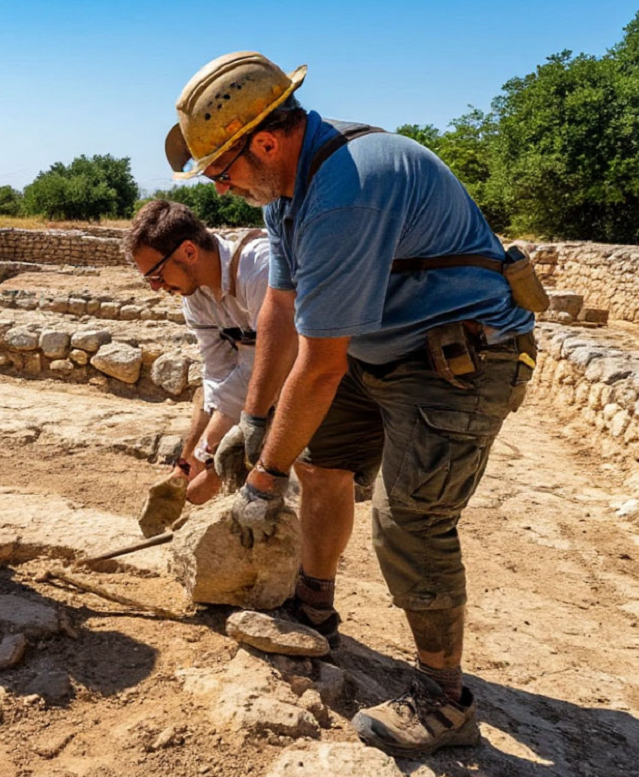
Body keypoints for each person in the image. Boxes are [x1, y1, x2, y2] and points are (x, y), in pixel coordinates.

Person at [165, 52, 537, 757]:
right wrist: (254, 417)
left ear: (265, 142)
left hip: (461, 358)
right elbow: (280, 304)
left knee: (410, 519)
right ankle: (313, 602)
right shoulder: (287, 188)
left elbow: (322, 364)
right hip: (382, 349)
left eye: (221, 170)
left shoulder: (347, 191)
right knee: (324, 463)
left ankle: (444, 700)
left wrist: (263, 479)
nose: (219, 188)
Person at [123, 200, 271, 535]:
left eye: (157, 275)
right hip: (260, 380)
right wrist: (185, 467)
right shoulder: (196, 298)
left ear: (189, 251)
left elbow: (260, 373)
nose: (156, 288)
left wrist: (210, 461)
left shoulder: (258, 270)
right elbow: (217, 377)